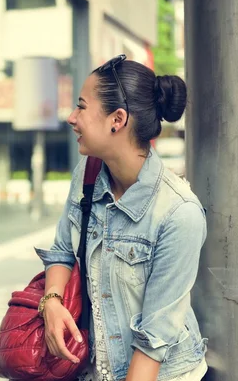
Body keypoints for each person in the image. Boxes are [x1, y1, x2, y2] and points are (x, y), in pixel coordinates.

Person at [36, 55, 208, 381]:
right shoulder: (87, 175)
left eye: (82, 107)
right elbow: (60, 251)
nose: (72, 118)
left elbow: (153, 343)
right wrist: (53, 302)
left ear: (117, 119)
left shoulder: (179, 213)